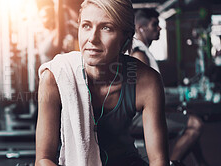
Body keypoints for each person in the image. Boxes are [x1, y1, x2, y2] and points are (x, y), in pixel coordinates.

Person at [35, 0, 169, 166]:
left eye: (107, 28)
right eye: (86, 26)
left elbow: (158, 160)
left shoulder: (148, 82)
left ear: (125, 36)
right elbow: (43, 159)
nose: (92, 38)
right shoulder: (55, 78)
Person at [131, 8, 208, 166]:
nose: (159, 28)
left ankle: (197, 162)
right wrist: (180, 95)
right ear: (141, 28)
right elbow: (147, 95)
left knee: (188, 116)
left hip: (147, 110)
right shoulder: (138, 54)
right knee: (195, 124)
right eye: (155, 25)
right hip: (138, 118)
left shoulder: (144, 51)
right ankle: (171, 162)